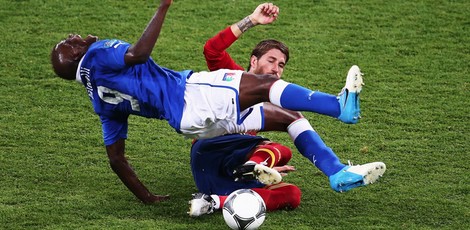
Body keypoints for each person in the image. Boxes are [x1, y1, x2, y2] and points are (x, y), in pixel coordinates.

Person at [50, 0, 386, 204]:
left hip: (192, 120)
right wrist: (164, 6)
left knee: (289, 117)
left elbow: (116, 158)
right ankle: (339, 106)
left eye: (281, 64)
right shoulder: (98, 55)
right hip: (191, 99)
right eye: (69, 41)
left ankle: (337, 172)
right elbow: (140, 54)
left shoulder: (99, 100)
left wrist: (147, 197)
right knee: (270, 90)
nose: (74, 36)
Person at [188, 3, 385, 216]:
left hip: (221, 176)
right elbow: (212, 50)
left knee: (291, 194)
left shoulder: (273, 99)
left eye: (281, 65)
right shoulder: (234, 79)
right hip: (209, 151)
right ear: (253, 61)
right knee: (285, 136)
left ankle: (212, 202)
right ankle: (333, 160)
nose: (276, 69)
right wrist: (252, 20)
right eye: (271, 61)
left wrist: (266, 167)